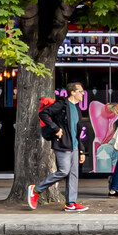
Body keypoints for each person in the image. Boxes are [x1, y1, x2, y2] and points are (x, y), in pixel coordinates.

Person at [28, 82, 88, 212]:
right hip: (62, 144)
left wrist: (82, 150)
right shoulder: (62, 105)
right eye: (81, 91)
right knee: (64, 171)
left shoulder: (77, 108)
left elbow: (77, 131)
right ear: (73, 92)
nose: (83, 94)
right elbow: (43, 114)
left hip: (75, 146)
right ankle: (36, 189)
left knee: (73, 174)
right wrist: (55, 128)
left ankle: (70, 203)